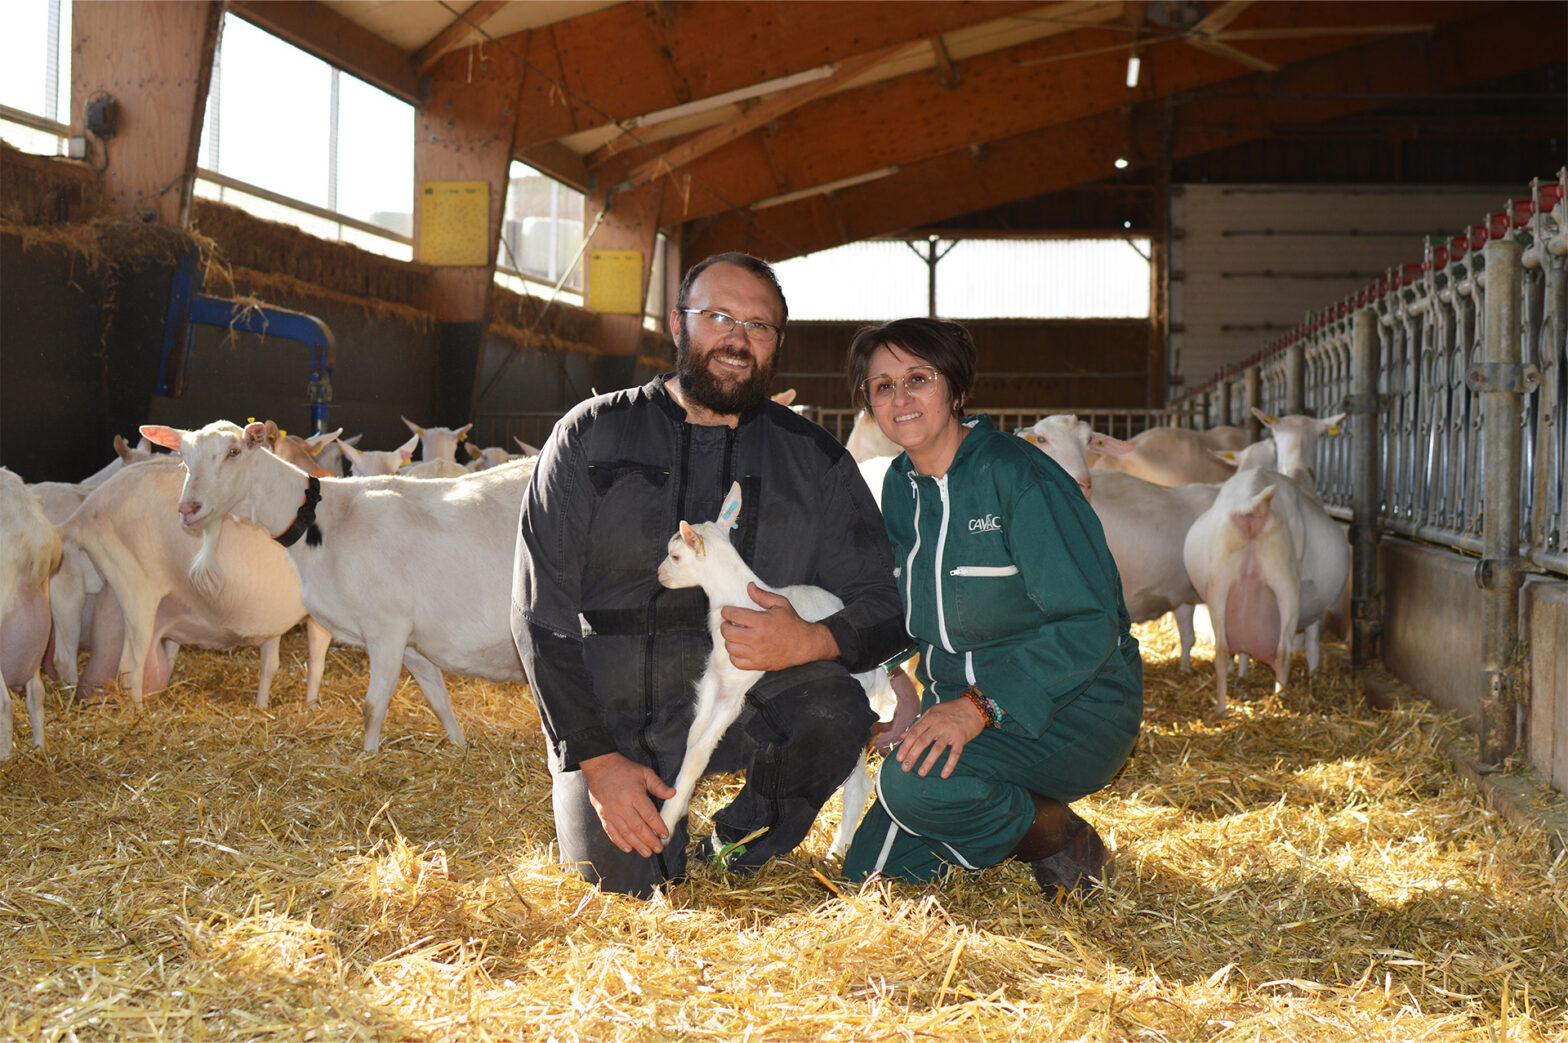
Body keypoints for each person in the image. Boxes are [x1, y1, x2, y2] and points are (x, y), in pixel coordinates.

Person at [511, 252, 910, 899]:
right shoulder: (591, 435)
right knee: (619, 893)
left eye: (759, 325)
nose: (738, 338)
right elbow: (538, 614)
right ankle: (627, 802)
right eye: (718, 316)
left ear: (778, 343)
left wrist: (812, 640)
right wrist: (596, 758)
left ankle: (740, 837)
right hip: (618, 717)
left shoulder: (811, 459)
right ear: (677, 323)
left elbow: (883, 599)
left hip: (745, 697)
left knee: (834, 710)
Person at [840, 317, 1143, 895]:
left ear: (955, 388)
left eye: (918, 378)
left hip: (1076, 706)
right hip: (959, 708)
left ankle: (1057, 833)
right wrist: (904, 685)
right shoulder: (899, 491)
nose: (899, 398)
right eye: (882, 386)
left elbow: (1090, 623)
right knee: (872, 878)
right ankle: (1001, 810)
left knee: (911, 787)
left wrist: (976, 708)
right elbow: (914, 609)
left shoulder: (1019, 477)